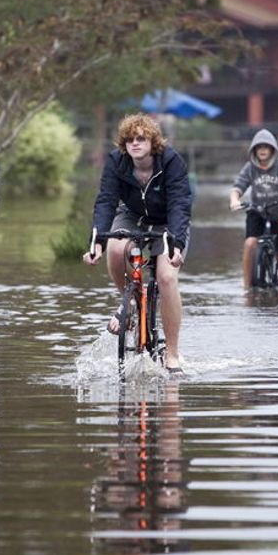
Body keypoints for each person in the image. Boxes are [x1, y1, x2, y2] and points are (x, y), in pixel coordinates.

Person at [83, 113, 192, 372]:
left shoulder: (171, 161)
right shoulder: (116, 162)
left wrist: (176, 243)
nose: (135, 143)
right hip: (132, 215)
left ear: (152, 141)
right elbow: (106, 201)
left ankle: (173, 354)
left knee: (166, 278)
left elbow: (180, 203)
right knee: (116, 247)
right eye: (130, 139)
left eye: (141, 138)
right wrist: (95, 243)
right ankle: (129, 301)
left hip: (168, 222)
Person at [228, 129, 278, 288]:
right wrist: (234, 200)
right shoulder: (250, 167)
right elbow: (238, 187)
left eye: (266, 147)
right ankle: (246, 286)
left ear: (272, 149)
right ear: (254, 150)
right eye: (259, 147)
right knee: (250, 243)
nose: (262, 150)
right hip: (256, 211)